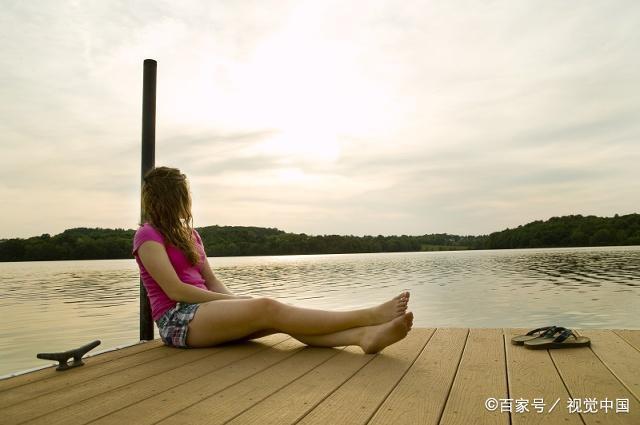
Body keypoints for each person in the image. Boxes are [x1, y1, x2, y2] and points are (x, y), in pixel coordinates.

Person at [133, 166, 413, 354]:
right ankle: (368, 316)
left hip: (202, 312)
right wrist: (236, 303)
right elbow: (175, 290)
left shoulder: (190, 234)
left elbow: (211, 280)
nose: (188, 200)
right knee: (268, 306)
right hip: (176, 320)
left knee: (281, 317)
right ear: (171, 199)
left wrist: (239, 302)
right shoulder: (147, 236)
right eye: (184, 194)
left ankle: (362, 337)